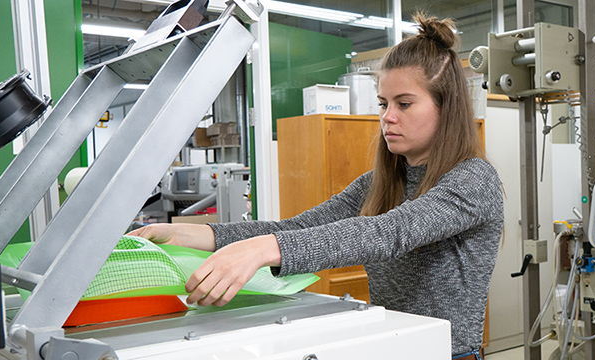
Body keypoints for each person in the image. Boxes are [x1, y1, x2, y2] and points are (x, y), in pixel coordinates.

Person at [129, 12, 504, 360]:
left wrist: (262, 251)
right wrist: (190, 235)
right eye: (383, 103)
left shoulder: (472, 179)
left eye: (404, 104)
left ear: (446, 106)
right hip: (393, 346)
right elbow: (296, 229)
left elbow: (390, 232)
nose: (387, 118)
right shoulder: (377, 184)